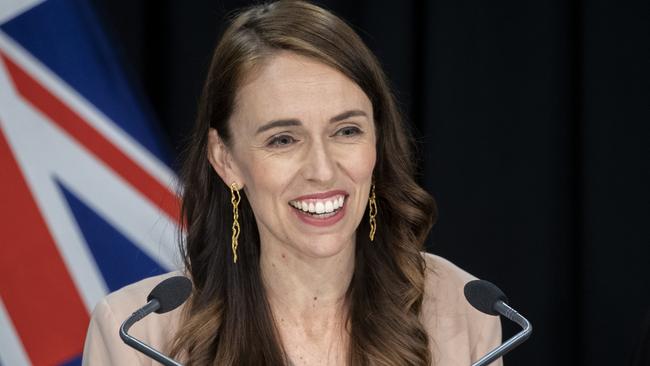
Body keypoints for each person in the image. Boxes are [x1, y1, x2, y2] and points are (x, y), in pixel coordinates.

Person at [82, 1, 502, 365]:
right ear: (226, 160)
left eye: (347, 131)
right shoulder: (138, 336)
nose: (322, 169)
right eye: (283, 139)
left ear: (377, 141)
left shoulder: (462, 308)